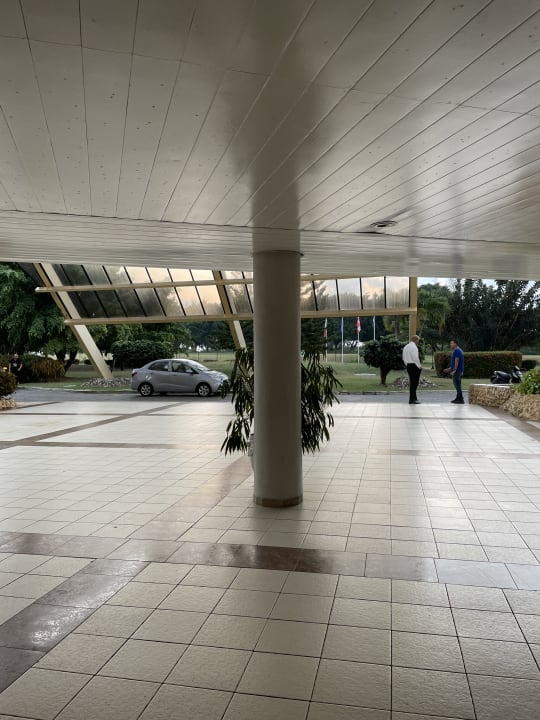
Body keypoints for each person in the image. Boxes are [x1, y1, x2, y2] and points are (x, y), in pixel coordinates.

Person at [402, 335, 422, 404]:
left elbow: (404, 358)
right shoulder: (414, 347)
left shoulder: (406, 347)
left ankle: (414, 398)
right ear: (415, 340)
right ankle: (412, 399)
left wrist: (407, 364)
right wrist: (419, 366)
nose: (418, 341)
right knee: (414, 383)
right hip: (414, 366)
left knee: (412, 382)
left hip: (408, 365)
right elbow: (415, 358)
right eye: (418, 340)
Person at [448, 340, 465, 404]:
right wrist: (450, 369)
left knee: (457, 385)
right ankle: (458, 398)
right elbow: (455, 362)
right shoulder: (459, 350)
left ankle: (460, 399)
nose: (450, 344)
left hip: (457, 371)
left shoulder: (457, 350)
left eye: (451, 343)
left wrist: (454, 370)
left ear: (455, 344)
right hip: (458, 371)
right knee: (458, 385)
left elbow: (457, 360)